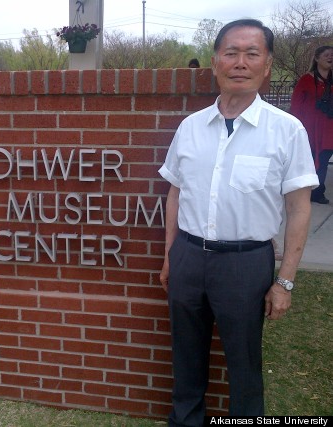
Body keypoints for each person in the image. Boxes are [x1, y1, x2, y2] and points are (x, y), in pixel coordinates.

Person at [158, 19, 318, 425]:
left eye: (252, 53)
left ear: (267, 65)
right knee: (186, 355)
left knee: (244, 363)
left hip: (246, 265)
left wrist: (284, 281)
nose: (240, 62)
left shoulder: (286, 131)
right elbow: (175, 193)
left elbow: (300, 208)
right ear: (215, 62)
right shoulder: (191, 127)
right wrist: (170, 257)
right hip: (190, 258)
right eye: (231, 52)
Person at [290, 45, 333, 204]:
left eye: (332, 55)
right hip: (309, 127)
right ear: (316, 58)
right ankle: (304, 190)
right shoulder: (306, 79)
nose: (330, 58)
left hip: (329, 128)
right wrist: (296, 127)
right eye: (327, 55)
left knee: (323, 159)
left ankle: (318, 191)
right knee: (308, 159)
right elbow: (296, 105)